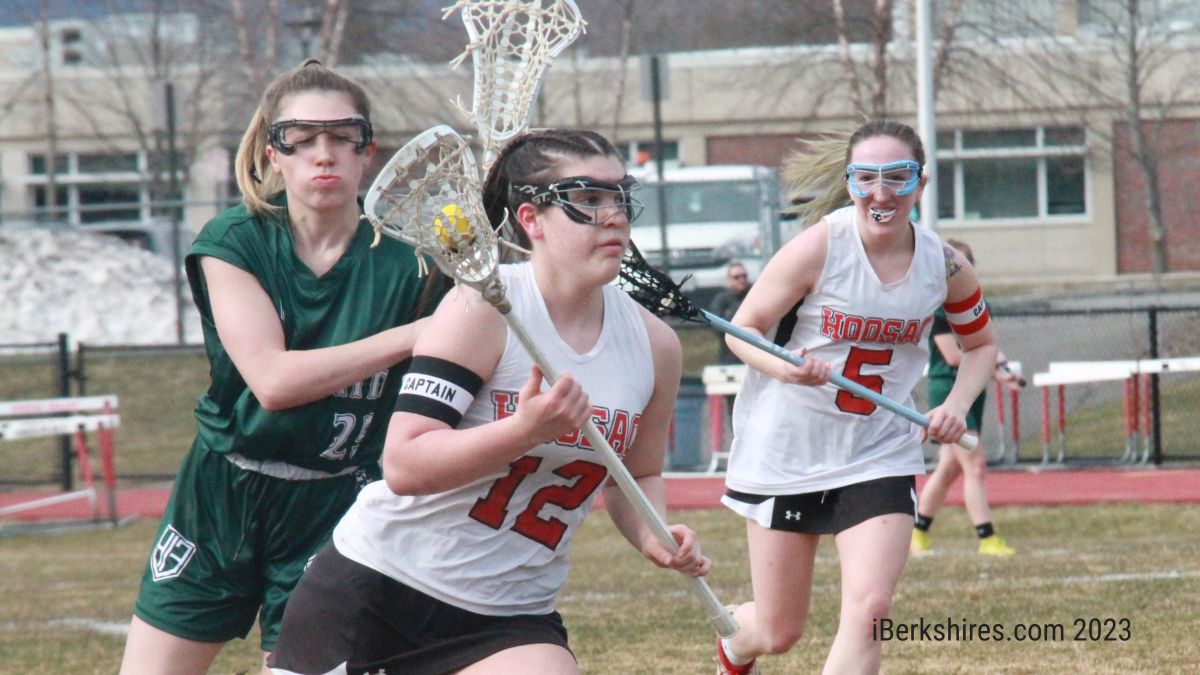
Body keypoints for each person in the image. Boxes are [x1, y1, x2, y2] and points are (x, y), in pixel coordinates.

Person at [267, 129, 711, 675]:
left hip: (511, 614)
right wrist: (523, 431)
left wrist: (654, 535)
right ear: (531, 219)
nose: (614, 216)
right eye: (588, 199)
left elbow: (636, 476)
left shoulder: (655, 345)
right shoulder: (482, 310)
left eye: (620, 196)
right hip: (382, 588)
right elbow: (404, 464)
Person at [119, 60, 445, 675]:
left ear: (367, 151)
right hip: (222, 490)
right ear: (274, 153)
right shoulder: (235, 239)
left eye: (342, 136)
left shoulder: (416, 266)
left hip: (337, 499)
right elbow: (272, 381)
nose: (323, 153)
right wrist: (412, 335)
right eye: (301, 137)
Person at [713, 119, 1000, 675]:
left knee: (871, 610)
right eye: (866, 177)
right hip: (789, 451)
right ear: (850, 183)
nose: (881, 193)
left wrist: (955, 406)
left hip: (878, 451)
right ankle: (735, 644)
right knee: (777, 631)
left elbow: (982, 345)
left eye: (898, 177)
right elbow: (741, 331)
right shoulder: (819, 247)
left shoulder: (944, 264)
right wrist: (786, 368)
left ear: (921, 183)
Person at [912, 239, 1021, 557]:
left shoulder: (972, 304)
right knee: (975, 464)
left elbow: (984, 346)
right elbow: (954, 356)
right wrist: (995, 367)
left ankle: (918, 532)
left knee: (948, 469)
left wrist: (1001, 369)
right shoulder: (936, 308)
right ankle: (987, 538)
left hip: (971, 392)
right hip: (948, 391)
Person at [711, 260, 752, 366]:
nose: (741, 280)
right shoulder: (722, 300)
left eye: (744, 276)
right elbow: (717, 327)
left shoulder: (753, 297)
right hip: (729, 357)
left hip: (752, 356)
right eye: (736, 277)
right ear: (729, 280)